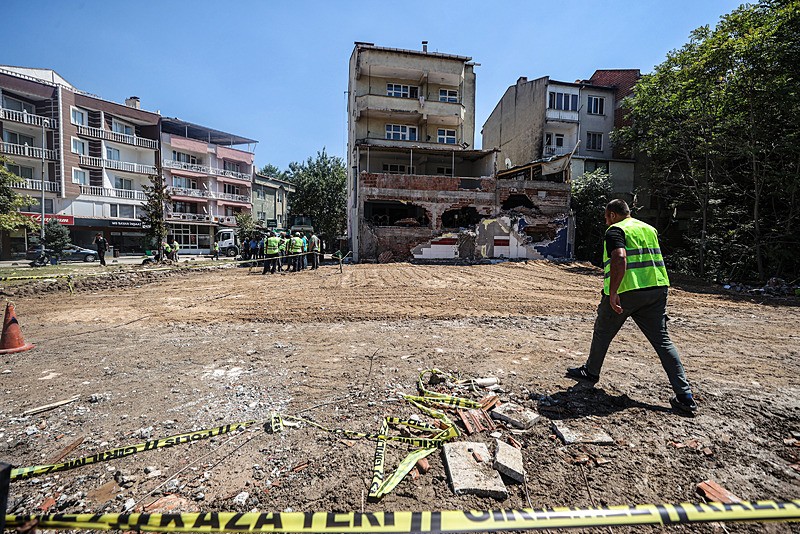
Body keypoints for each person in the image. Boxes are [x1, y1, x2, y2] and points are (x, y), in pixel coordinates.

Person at [566, 199, 697, 416]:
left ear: (613, 215)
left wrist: (614, 292)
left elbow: (619, 257)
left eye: (606, 217)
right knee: (663, 342)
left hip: (627, 291)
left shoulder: (615, 230)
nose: (606, 222)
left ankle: (591, 372)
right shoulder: (649, 229)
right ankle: (685, 396)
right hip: (656, 289)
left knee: (602, 332)